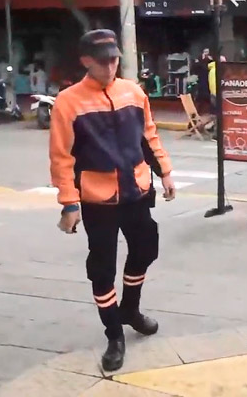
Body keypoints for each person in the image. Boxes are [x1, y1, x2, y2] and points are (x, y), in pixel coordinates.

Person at [49, 29, 177, 372]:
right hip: (97, 199)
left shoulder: (133, 92)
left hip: (136, 191)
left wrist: (164, 171)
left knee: (146, 249)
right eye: (103, 60)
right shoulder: (69, 101)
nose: (110, 66)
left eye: (114, 59)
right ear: (85, 61)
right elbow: (62, 158)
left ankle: (130, 309)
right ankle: (114, 334)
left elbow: (148, 134)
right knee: (102, 268)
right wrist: (69, 204)